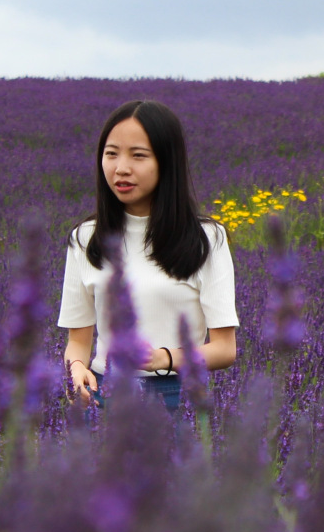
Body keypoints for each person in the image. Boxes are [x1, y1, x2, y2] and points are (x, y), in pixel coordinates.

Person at [58, 100, 237, 412]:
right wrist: (76, 370)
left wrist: (162, 358)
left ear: (166, 162)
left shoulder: (206, 239)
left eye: (138, 155)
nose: (121, 168)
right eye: (111, 153)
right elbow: (78, 340)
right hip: (105, 395)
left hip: (177, 395)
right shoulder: (85, 237)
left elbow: (224, 349)